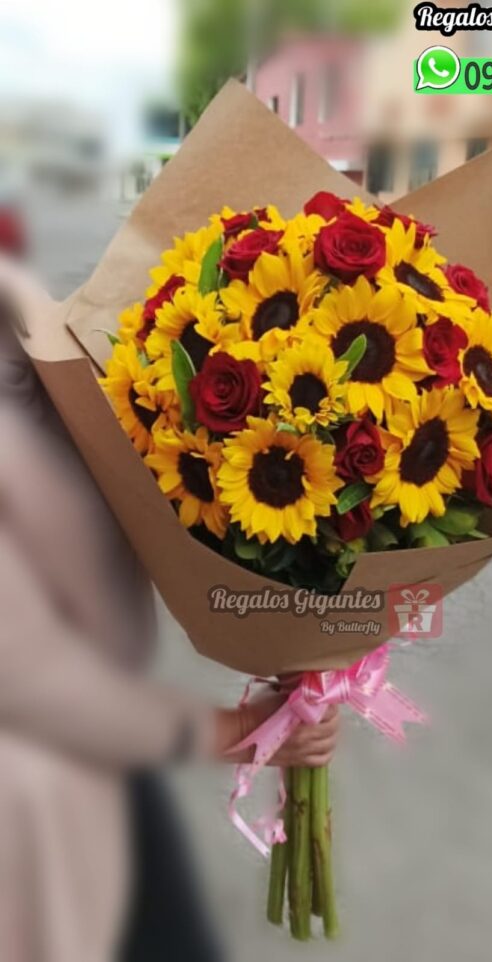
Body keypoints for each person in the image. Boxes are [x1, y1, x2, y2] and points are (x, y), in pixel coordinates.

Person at [0, 259, 339, 962]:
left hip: (107, 768)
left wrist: (296, 620)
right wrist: (243, 731)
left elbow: (136, 496)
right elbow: (33, 679)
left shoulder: (34, 322)